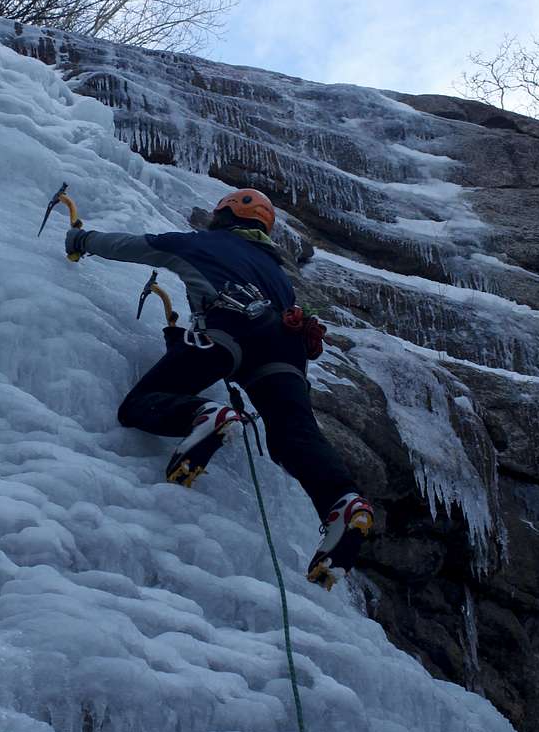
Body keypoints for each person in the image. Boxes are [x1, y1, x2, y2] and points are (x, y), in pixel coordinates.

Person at [65, 187, 374, 586]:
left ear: (223, 216)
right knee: (291, 434)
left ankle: (203, 414)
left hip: (230, 329)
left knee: (139, 404)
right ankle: (342, 501)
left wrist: (81, 240)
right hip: (285, 349)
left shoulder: (201, 244)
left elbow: (129, 245)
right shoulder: (277, 273)